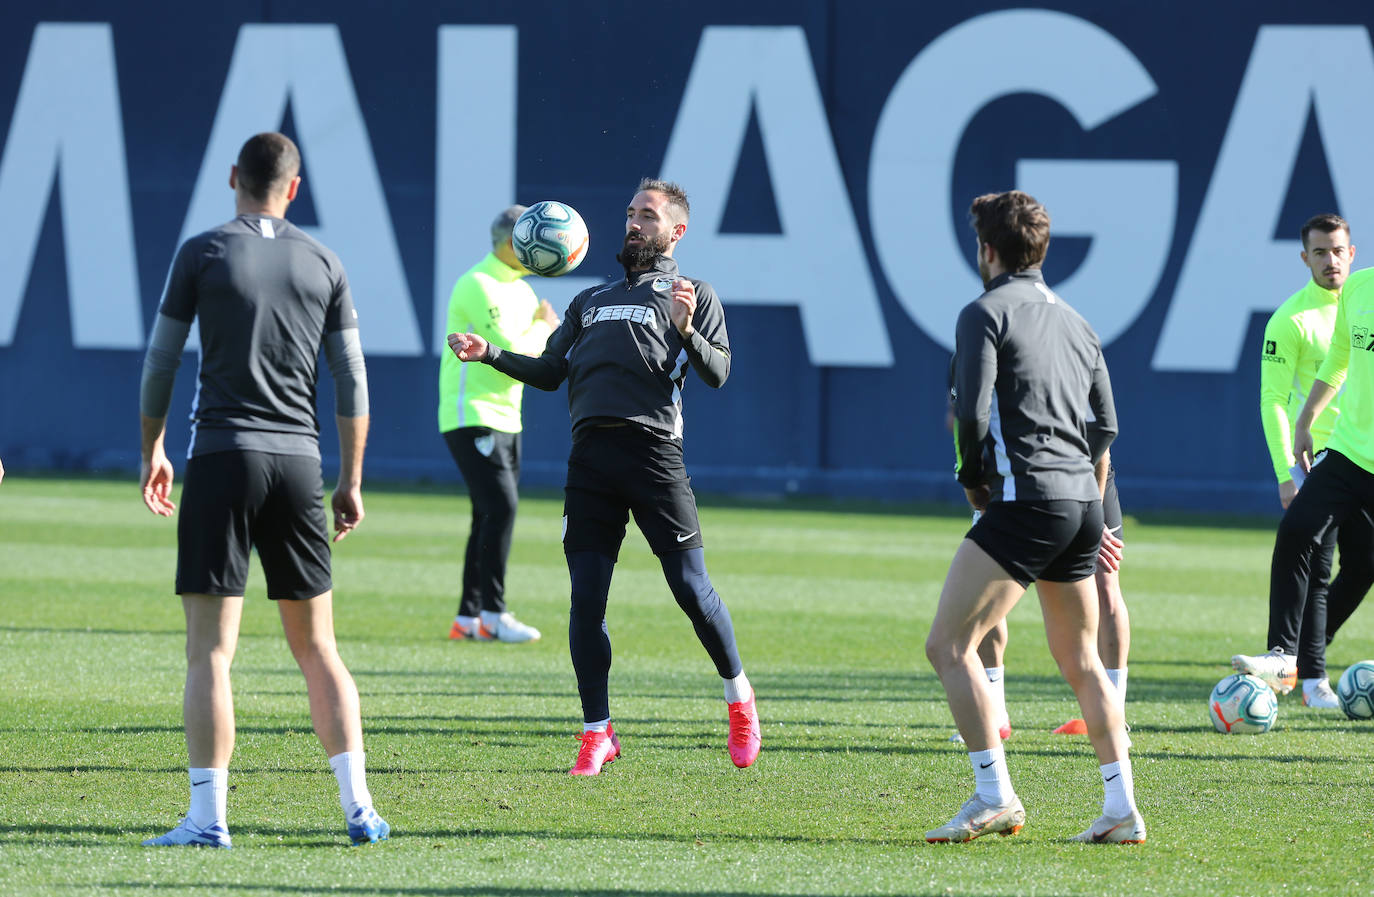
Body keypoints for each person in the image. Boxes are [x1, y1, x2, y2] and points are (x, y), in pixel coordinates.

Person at [446, 178, 760, 776]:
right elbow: (548, 372)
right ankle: (598, 731)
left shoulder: (693, 293)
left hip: (654, 454)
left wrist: (689, 328)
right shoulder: (590, 299)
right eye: (630, 212)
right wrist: (489, 353)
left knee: (692, 589)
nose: (634, 223)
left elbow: (718, 374)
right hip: (589, 459)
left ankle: (740, 699)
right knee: (586, 600)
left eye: (648, 215)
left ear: (677, 231)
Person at [137, 132, 388, 847]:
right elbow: (352, 380)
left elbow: (160, 361)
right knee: (319, 648)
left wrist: (151, 446)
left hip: (222, 455)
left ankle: (207, 817)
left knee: (211, 651)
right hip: (299, 464)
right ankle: (359, 807)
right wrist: (351, 478)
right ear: (295, 187)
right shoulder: (324, 260)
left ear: (232, 179)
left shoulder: (203, 252)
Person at [925, 190, 1142, 844]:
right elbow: (1105, 425)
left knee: (948, 645)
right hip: (1082, 501)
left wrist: (976, 484)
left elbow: (970, 416)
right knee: (1081, 659)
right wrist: (1095, 506)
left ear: (987, 251)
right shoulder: (1079, 321)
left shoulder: (984, 311)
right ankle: (1121, 806)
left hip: (1030, 497)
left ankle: (994, 794)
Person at [1233, 214, 1373, 705]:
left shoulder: (1352, 291)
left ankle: (1308, 664)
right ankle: (1294, 664)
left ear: (1350, 251)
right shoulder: (1320, 308)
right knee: (1304, 541)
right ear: (1305, 257)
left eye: (1338, 250)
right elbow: (1326, 365)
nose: (1331, 260)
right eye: (1320, 251)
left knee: (1363, 562)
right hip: (1341, 453)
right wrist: (1298, 437)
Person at [439, 205, 559, 643]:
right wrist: (546, 327)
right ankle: (493, 612)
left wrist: (545, 331)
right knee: (502, 507)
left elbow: (534, 359)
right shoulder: (478, 283)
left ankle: (467, 618)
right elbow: (508, 353)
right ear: (513, 242)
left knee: (487, 513)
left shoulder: (523, 291)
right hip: (471, 412)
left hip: (508, 416)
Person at [951, 452, 1130, 742]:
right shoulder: (977, 410)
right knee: (985, 586)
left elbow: (1102, 436)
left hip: (1085, 472)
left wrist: (1094, 517)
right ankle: (994, 713)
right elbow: (972, 437)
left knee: (1105, 583)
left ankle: (1114, 717)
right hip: (1015, 477)